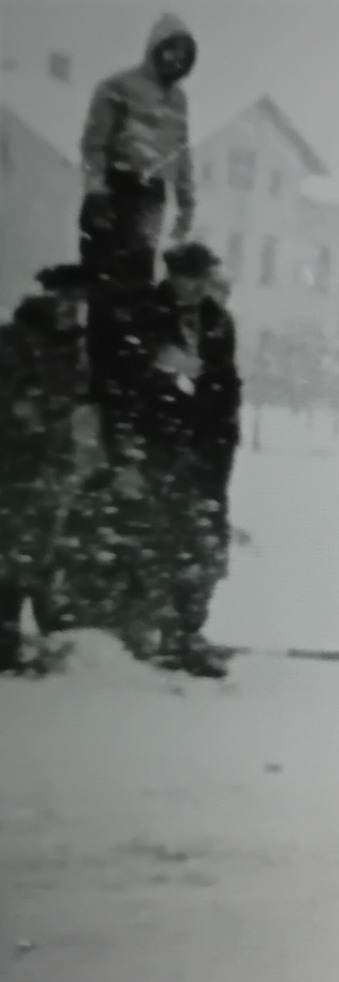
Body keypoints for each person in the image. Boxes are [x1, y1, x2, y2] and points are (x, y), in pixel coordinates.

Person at [97, 241, 240, 677]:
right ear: (172, 275)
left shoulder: (218, 323)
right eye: (190, 277)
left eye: (204, 276)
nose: (198, 287)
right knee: (151, 541)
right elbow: (121, 385)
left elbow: (225, 384)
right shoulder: (143, 316)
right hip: (156, 447)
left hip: (204, 453)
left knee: (205, 546)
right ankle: (144, 632)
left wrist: (219, 438)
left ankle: (187, 631)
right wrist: (160, 373)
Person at [79, 14, 199, 396]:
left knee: (138, 290)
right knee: (104, 291)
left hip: (150, 197)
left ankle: (126, 382)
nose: (175, 61)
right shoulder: (117, 87)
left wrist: (186, 204)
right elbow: (94, 144)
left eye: (183, 55)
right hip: (115, 190)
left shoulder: (179, 102)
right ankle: (97, 382)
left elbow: (181, 153)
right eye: (170, 51)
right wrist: (97, 188)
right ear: (156, 48)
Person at [1, 266, 100, 671]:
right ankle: (7, 641)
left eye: (78, 300)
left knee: (37, 553)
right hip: (16, 466)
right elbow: (21, 402)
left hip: (50, 467)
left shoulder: (68, 346)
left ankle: (32, 635)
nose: (71, 308)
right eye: (64, 299)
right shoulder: (17, 341)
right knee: (14, 553)